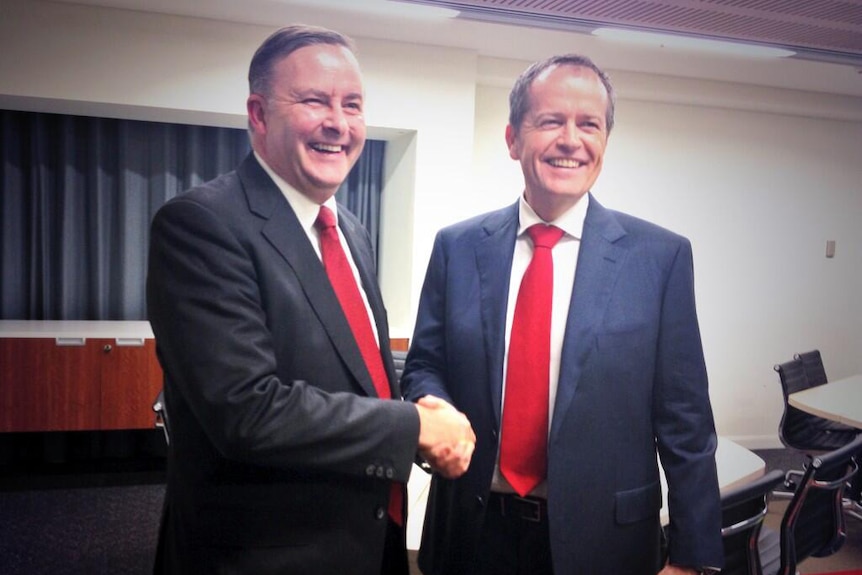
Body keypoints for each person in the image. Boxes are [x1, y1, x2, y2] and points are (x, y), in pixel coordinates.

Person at [146, 24, 474, 575]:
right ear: (258, 113)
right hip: (263, 556)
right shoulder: (201, 224)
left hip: (367, 544)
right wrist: (412, 428)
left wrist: (420, 409)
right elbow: (247, 410)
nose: (338, 124)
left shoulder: (350, 231)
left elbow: (356, 375)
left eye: (353, 105)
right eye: (314, 101)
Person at [401, 53, 723, 575]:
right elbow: (423, 365)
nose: (571, 139)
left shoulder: (659, 259)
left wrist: (691, 558)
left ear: (604, 144)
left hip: (605, 543)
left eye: (588, 124)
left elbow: (687, 420)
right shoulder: (458, 247)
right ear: (512, 139)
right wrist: (434, 407)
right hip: (473, 533)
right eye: (551, 121)